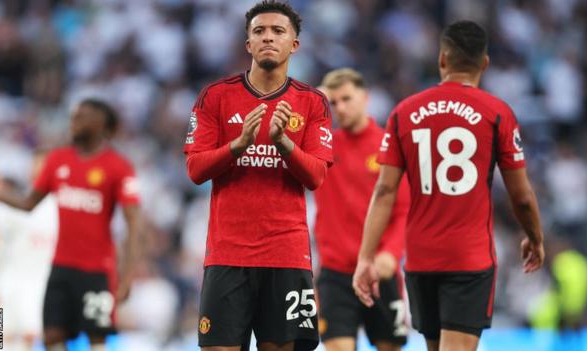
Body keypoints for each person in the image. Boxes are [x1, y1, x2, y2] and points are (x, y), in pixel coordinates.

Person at [353, 20, 545, 351]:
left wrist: (365, 257)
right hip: (468, 258)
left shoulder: (404, 113)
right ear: (484, 63)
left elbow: (384, 191)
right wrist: (535, 237)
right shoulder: (497, 113)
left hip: (420, 259)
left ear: (442, 59)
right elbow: (522, 197)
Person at [183, 1, 333, 351]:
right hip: (227, 256)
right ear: (247, 44)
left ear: (294, 44)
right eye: (259, 31)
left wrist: (282, 143)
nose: (268, 38)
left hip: (287, 255)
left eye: (278, 31)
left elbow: (315, 178)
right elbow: (195, 170)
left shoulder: (312, 102)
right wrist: (238, 145)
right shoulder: (216, 96)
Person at [0, 98, 142, 351]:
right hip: (57, 270)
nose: (73, 122)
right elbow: (28, 203)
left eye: (81, 117)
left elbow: (134, 223)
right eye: (73, 116)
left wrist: (127, 277)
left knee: (97, 336)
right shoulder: (58, 161)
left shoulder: (118, 167)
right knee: (47, 337)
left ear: (101, 124)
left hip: (97, 270)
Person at [313, 68, 409, 351]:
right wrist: (309, 99)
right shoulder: (321, 146)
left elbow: (403, 209)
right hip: (335, 273)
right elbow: (285, 130)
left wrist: (390, 254)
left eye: (346, 99)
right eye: (333, 103)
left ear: (365, 98)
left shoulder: (387, 146)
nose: (340, 108)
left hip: (379, 271)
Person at [0, 153, 57, 351]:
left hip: (40, 287)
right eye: (36, 165)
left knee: (29, 340)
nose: (38, 170)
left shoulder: (62, 210)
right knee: (0, 337)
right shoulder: (16, 203)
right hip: (6, 286)